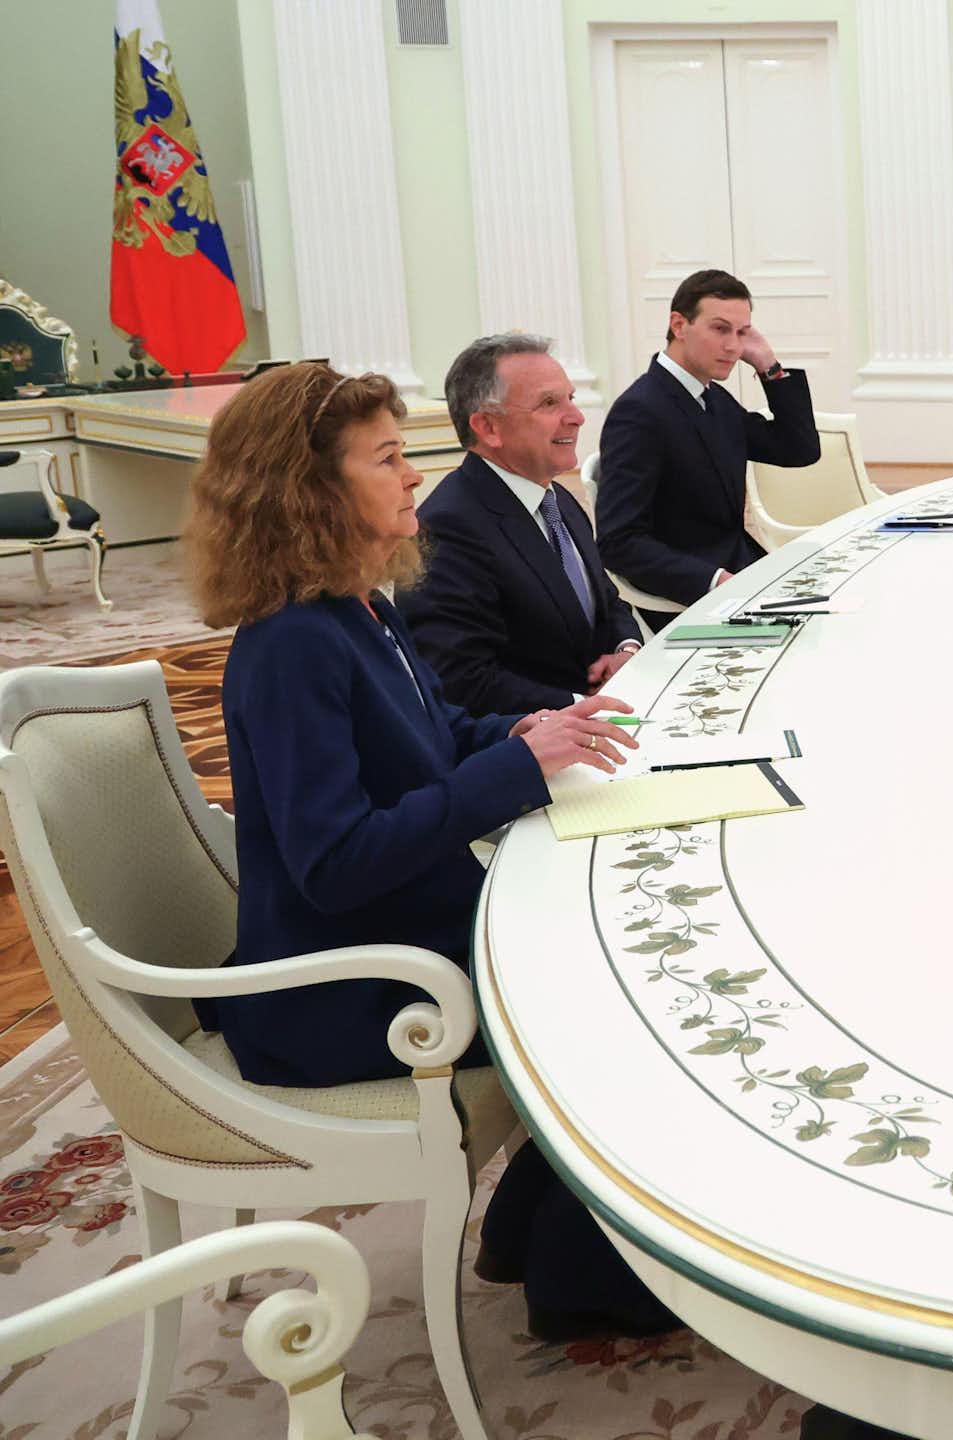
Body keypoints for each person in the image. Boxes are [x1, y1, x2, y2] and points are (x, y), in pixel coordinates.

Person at [187, 362, 675, 1341]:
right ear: (311, 491)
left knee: (612, 958)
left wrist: (532, 731)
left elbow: (437, 730)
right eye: (388, 458)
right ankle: (580, 1279)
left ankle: (531, 1231)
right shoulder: (292, 647)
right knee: (622, 991)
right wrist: (512, 770)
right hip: (336, 991)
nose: (415, 477)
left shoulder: (355, 609)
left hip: (399, 931)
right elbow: (334, 864)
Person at [403, 332, 644, 714]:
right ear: (488, 428)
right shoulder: (448, 527)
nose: (577, 417)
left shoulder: (557, 498)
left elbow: (607, 602)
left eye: (571, 399)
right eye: (550, 403)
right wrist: (583, 704)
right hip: (532, 741)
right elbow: (460, 679)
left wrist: (625, 650)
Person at [596, 268, 821, 624]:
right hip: (690, 598)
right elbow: (618, 542)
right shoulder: (640, 412)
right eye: (720, 329)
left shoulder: (712, 397)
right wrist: (713, 581)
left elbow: (798, 450)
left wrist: (769, 367)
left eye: (742, 332)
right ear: (679, 325)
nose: (733, 346)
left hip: (740, 571)